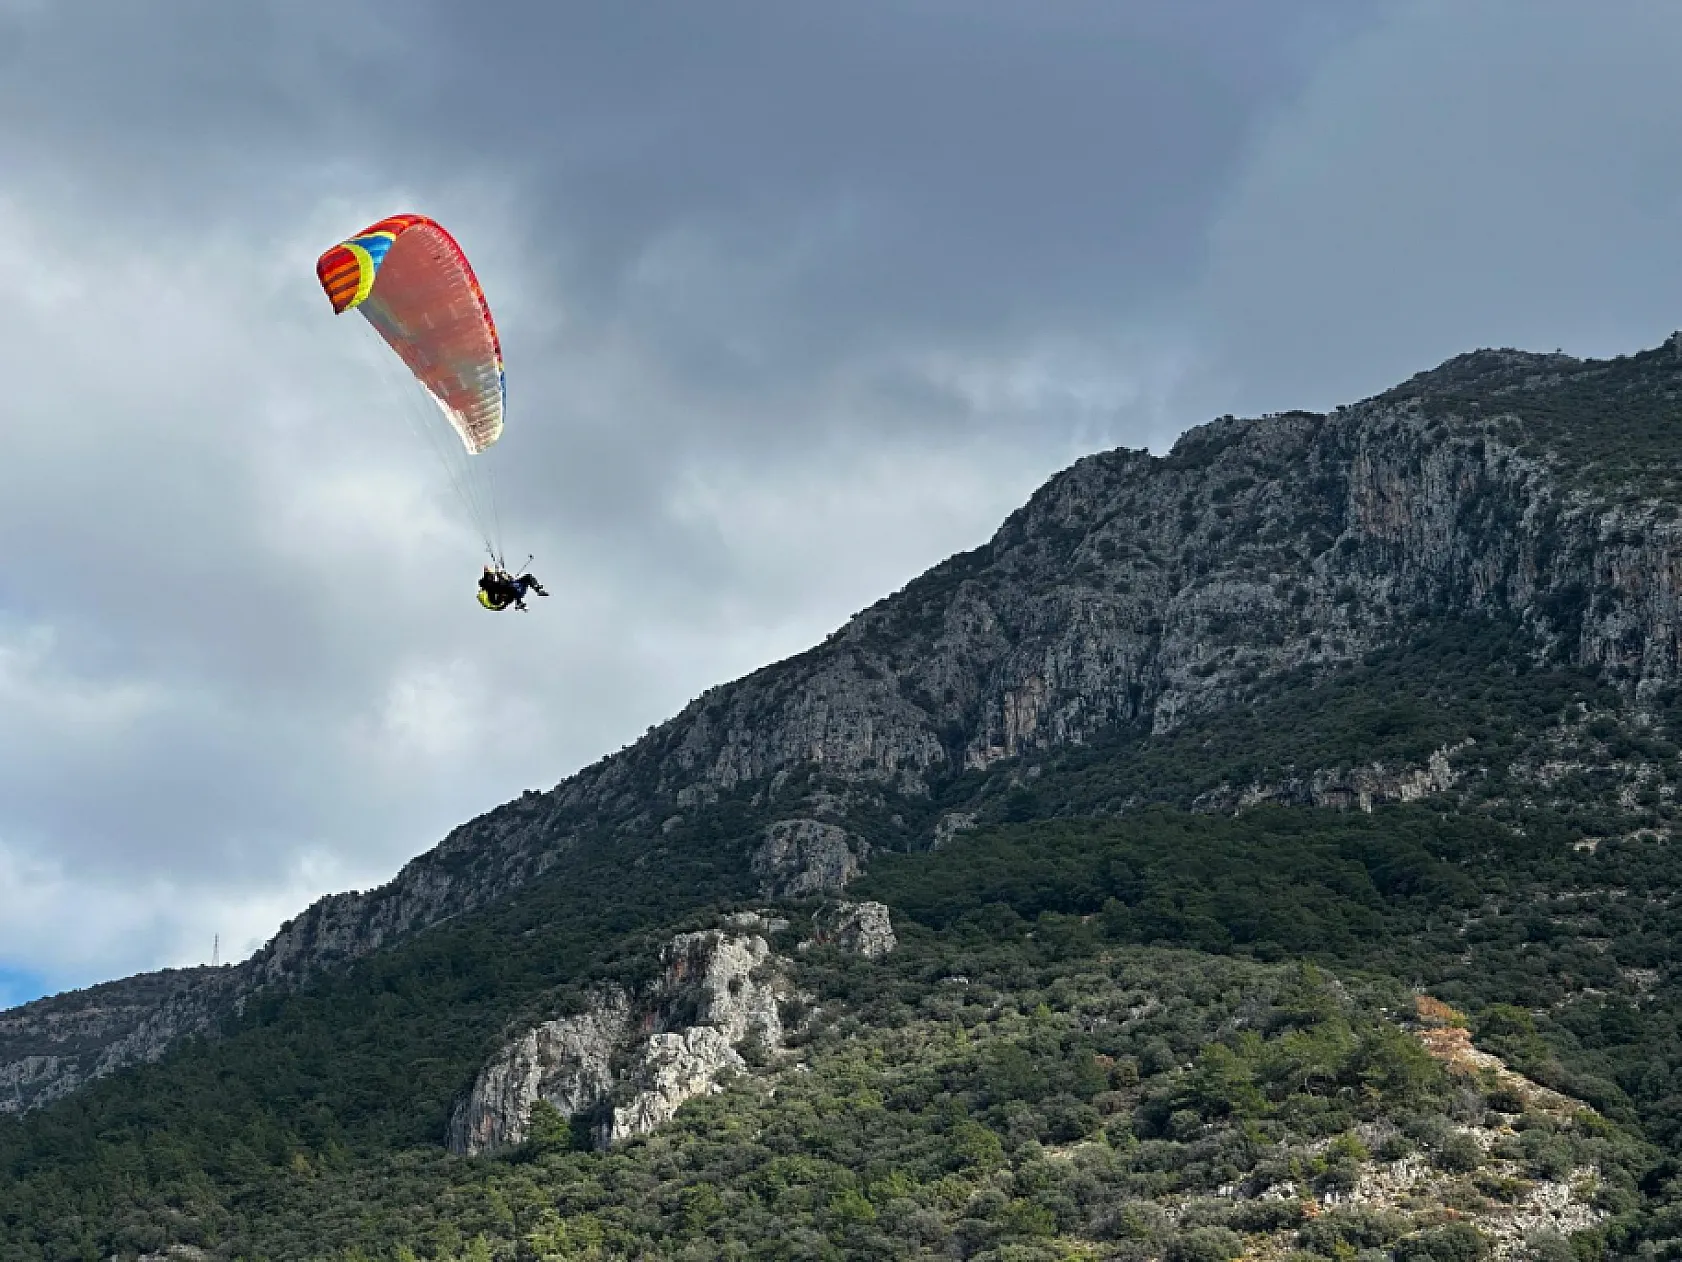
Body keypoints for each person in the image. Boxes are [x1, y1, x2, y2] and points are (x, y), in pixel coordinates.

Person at [477, 565, 548, 611]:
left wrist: (500, 574)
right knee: (506, 586)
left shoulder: (493, 585)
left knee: (528, 577)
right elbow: (492, 582)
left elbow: (503, 582)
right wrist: (497, 574)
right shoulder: (491, 589)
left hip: (515, 590)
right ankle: (519, 602)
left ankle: (537, 589)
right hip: (499, 599)